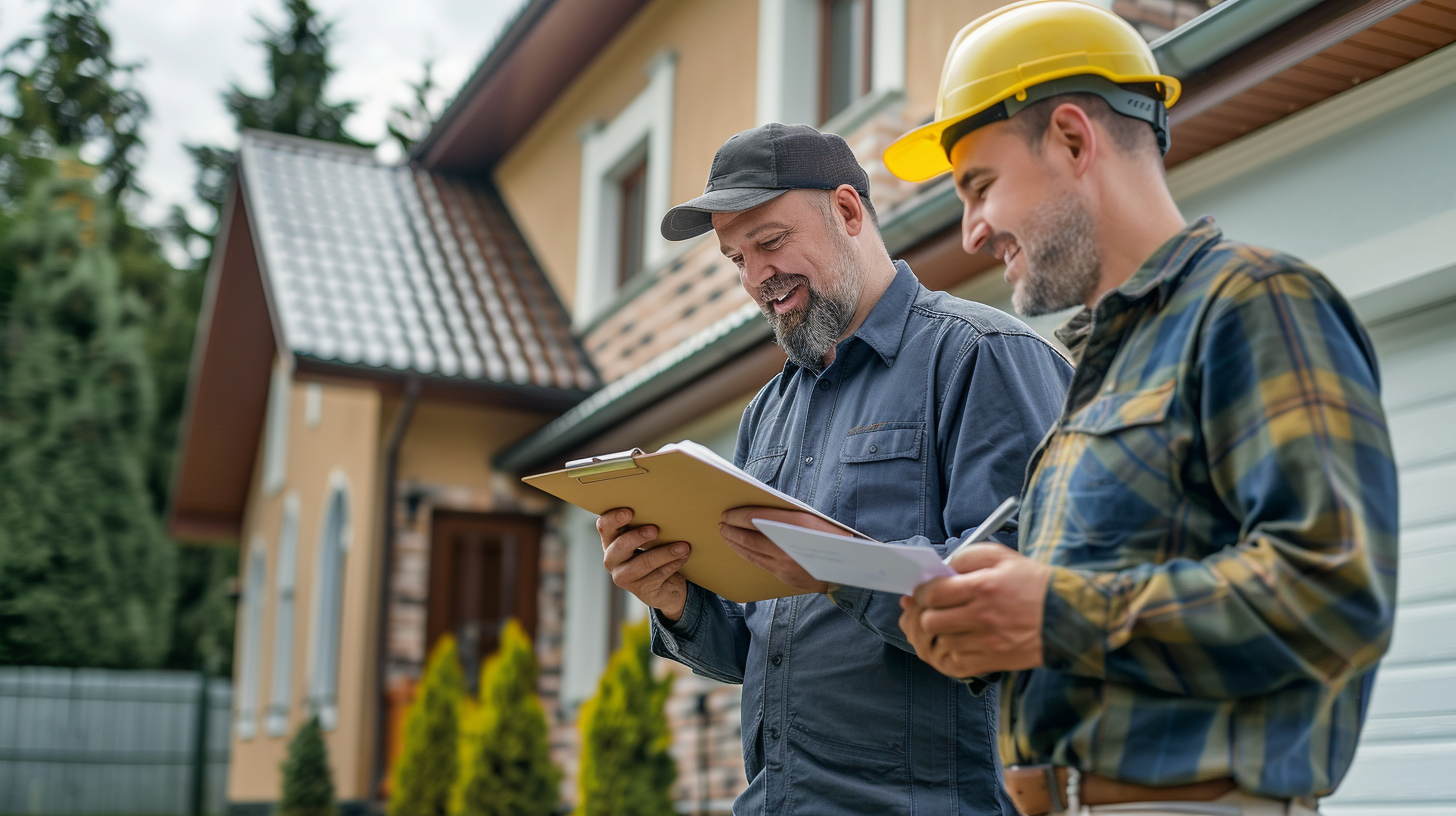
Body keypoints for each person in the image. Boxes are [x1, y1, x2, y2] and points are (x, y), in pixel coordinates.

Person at [885, 3, 1399, 816]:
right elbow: (1104, 633)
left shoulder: (1253, 303)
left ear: (1072, 140)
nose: (972, 232)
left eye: (978, 187)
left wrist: (1050, 612)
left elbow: (1333, 591)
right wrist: (988, 628)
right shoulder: (1101, 366)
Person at [595, 123, 1072, 815]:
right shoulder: (767, 413)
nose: (757, 277)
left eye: (771, 242)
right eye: (736, 258)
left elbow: (1023, 597)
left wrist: (838, 565)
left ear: (848, 212)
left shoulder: (980, 356)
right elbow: (755, 648)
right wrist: (674, 598)